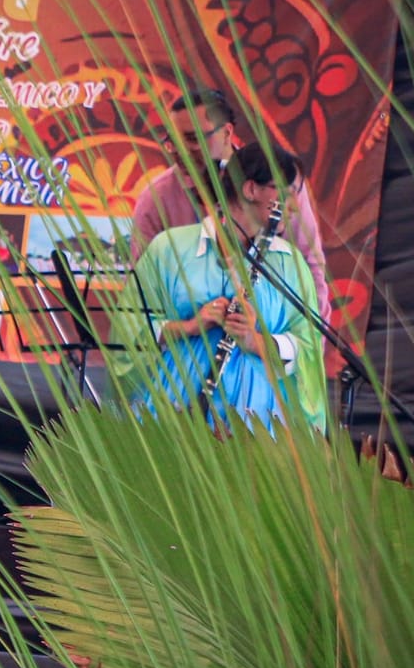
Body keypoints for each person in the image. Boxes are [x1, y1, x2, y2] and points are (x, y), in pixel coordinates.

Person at [115, 145, 327, 430]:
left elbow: (309, 345)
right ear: (250, 189)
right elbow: (127, 329)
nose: (293, 206)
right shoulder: (169, 249)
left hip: (258, 417)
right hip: (174, 403)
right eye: (285, 192)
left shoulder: (290, 263)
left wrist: (255, 341)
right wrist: (190, 326)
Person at [130, 88, 329, 315]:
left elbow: (309, 267)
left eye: (193, 139)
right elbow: (143, 294)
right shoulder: (156, 198)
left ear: (227, 133)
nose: (180, 151)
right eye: (173, 141)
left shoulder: (279, 183)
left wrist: (308, 345)